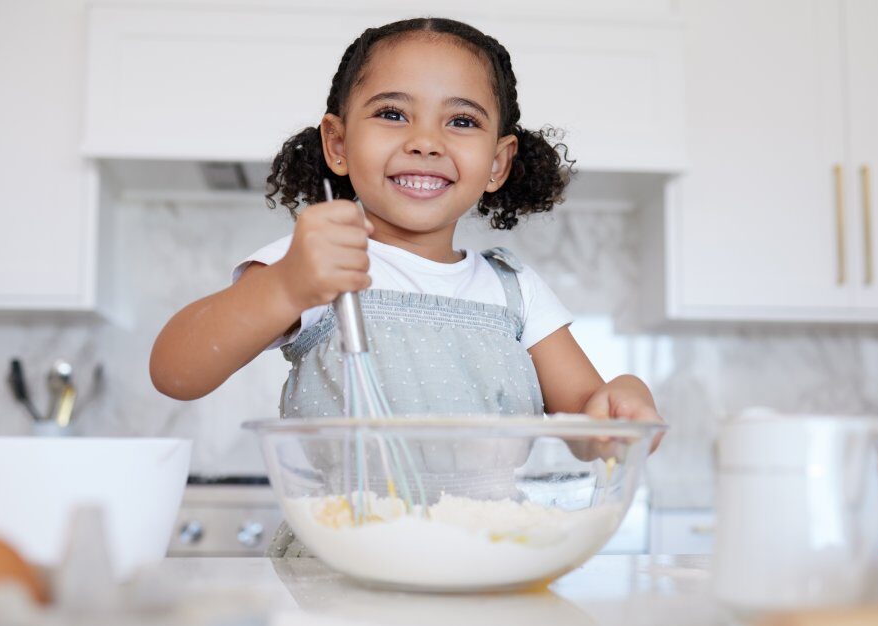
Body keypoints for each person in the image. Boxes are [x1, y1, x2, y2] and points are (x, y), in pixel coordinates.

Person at [150, 17, 663, 556]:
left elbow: (587, 421)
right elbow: (175, 372)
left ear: (497, 162)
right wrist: (285, 287)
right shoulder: (315, 261)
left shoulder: (514, 291)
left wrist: (621, 403)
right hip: (343, 565)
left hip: (485, 559)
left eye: (461, 121)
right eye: (393, 114)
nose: (425, 142)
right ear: (338, 143)